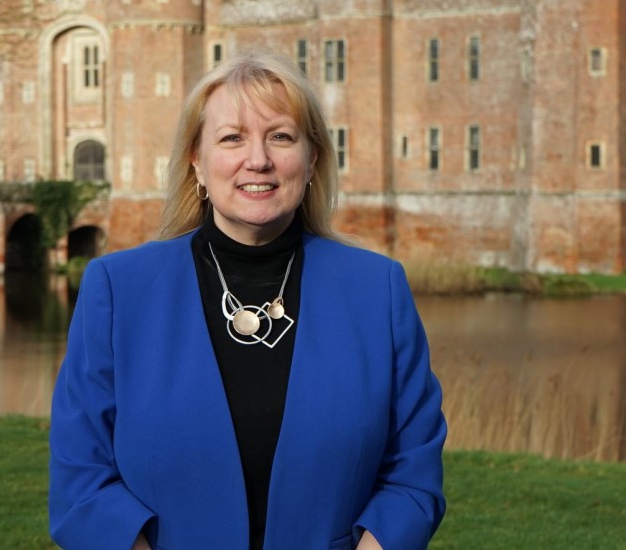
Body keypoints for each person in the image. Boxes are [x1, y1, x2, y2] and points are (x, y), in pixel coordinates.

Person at [49, 52, 446, 550]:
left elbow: (412, 479)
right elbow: (81, 482)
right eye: (232, 137)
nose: (257, 159)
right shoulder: (119, 288)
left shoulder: (377, 290)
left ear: (312, 159)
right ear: (196, 160)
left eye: (280, 136)